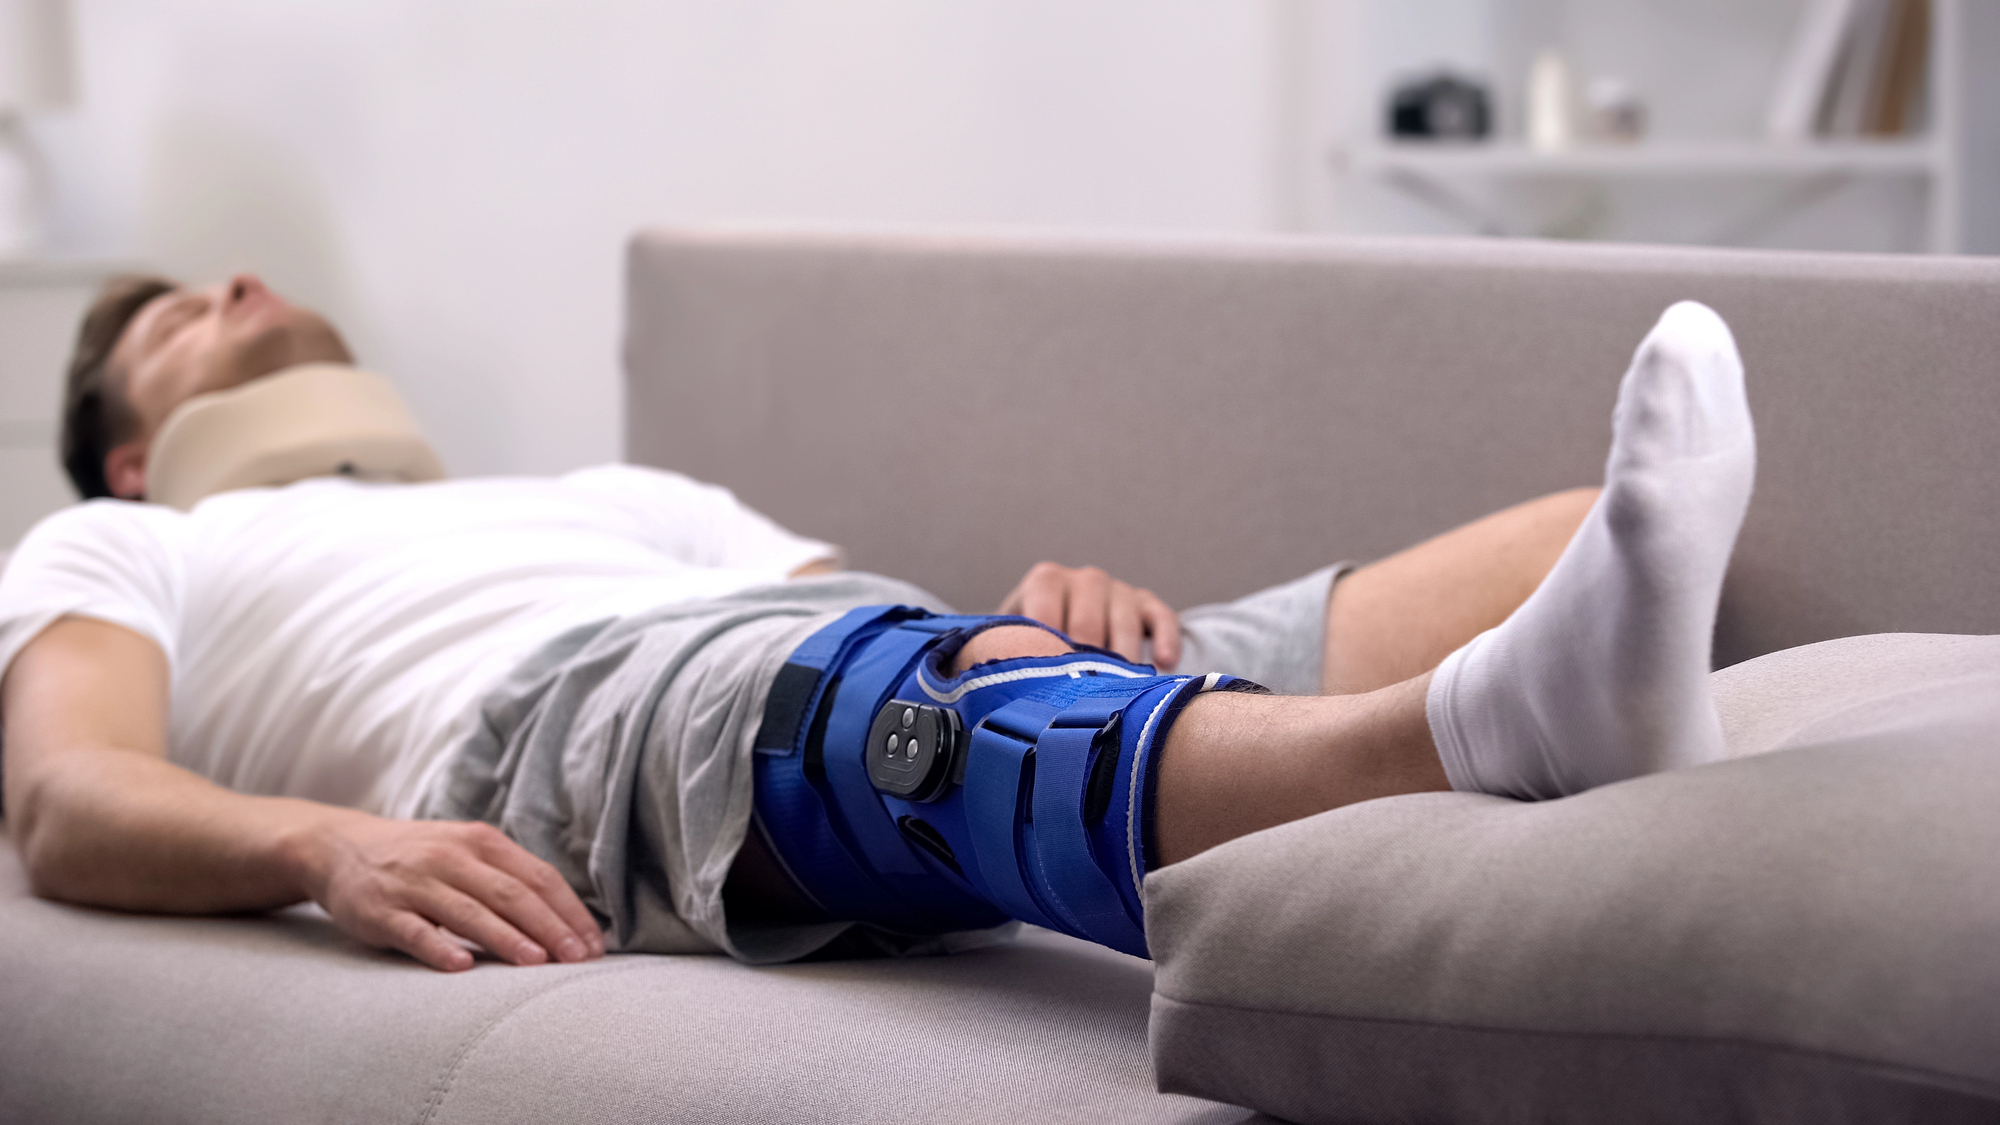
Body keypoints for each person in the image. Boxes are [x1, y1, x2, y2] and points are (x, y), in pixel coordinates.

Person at [0, 270, 1744, 970]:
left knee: (1563, 532)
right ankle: (1480, 737)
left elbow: (860, 615)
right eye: (167, 312)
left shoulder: (602, 491)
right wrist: (329, 846)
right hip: (564, 720)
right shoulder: (116, 549)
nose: (229, 282)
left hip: (826, 664)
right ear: (133, 451)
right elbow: (68, 799)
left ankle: (1538, 676)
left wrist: (1045, 613)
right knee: (900, 704)